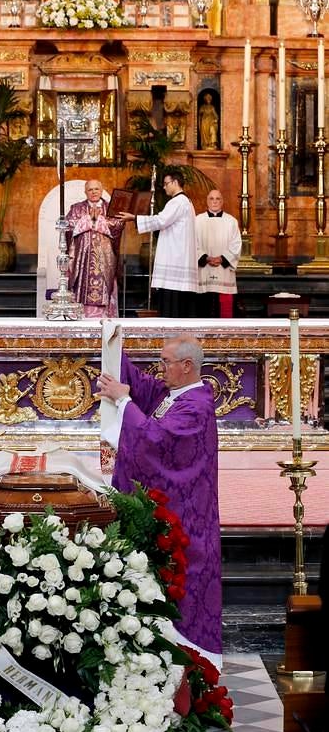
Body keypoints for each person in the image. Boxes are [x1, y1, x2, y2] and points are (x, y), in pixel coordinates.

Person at [97, 335, 222, 667]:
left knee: (183, 593)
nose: (160, 368)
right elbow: (140, 384)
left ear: (186, 366)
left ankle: (190, 668)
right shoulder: (174, 395)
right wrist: (112, 342)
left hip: (188, 520)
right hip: (175, 513)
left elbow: (157, 441)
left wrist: (123, 403)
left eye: (166, 362)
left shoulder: (197, 406)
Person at [118, 168, 199, 317]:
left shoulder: (178, 202)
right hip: (179, 256)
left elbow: (161, 220)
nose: (164, 187)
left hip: (175, 261)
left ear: (175, 182)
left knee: (172, 304)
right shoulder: (186, 202)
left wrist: (134, 218)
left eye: (167, 183)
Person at [66, 179, 133, 318]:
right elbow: (68, 225)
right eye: (90, 189)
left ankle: (105, 320)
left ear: (101, 190)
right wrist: (88, 219)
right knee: (82, 286)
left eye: (96, 189)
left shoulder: (112, 207)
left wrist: (98, 220)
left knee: (104, 285)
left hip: (106, 258)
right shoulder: (76, 208)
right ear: (85, 192)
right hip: (83, 260)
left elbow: (118, 224)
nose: (94, 192)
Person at [196, 189, 242, 318]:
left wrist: (222, 259)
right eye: (211, 198)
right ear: (207, 201)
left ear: (222, 201)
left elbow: (236, 244)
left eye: (217, 199)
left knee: (224, 306)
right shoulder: (197, 220)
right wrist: (206, 258)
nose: (214, 202)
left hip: (224, 270)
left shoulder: (231, 221)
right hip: (204, 269)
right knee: (204, 306)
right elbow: (193, 244)